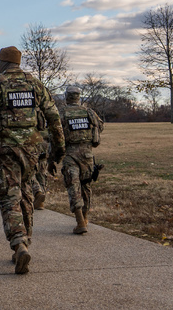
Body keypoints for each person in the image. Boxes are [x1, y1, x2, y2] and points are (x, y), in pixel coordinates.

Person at [0, 46, 65, 275]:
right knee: (26, 193)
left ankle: (19, 242)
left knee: (9, 194)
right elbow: (53, 115)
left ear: (2, 62)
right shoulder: (35, 84)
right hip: (32, 149)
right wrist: (58, 147)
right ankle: (25, 242)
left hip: (6, 149)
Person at [60, 85, 104, 235]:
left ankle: (79, 221)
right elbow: (100, 126)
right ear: (78, 97)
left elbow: (55, 133)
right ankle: (84, 219)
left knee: (73, 185)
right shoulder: (88, 112)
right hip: (87, 154)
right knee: (86, 185)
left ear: (67, 96)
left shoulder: (63, 112)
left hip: (70, 154)